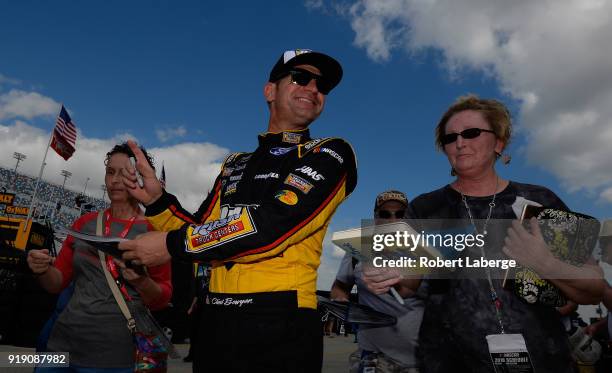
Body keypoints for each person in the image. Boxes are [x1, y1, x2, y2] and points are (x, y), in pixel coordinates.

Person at [118, 49, 357, 372]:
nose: (314, 88)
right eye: (301, 77)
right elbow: (201, 228)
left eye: (322, 85)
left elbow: (273, 225)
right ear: (270, 91)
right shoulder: (235, 164)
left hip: (281, 320)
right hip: (216, 319)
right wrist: (159, 201)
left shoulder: (330, 153)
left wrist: (172, 245)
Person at [365, 95, 605, 373]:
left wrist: (545, 263)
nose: (460, 142)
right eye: (450, 138)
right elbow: (408, 283)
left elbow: (594, 290)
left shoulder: (540, 199)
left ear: (499, 143)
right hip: (448, 361)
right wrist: (385, 275)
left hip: (541, 356)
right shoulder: (425, 207)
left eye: (471, 133)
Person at [27, 143, 172, 372]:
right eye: (110, 172)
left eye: (125, 174)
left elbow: (162, 298)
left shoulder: (155, 232)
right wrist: (41, 268)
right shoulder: (84, 223)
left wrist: (140, 281)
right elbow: (57, 283)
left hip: (113, 357)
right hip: (60, 347)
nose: (114, 181)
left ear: (141, 179)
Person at [332, 190, 423, 373]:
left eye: (400, 214)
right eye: (384, 214)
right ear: (375, 218)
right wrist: (340, 303)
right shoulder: (357, 251)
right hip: (373, 358)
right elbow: (340, 287)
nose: (392, 219)